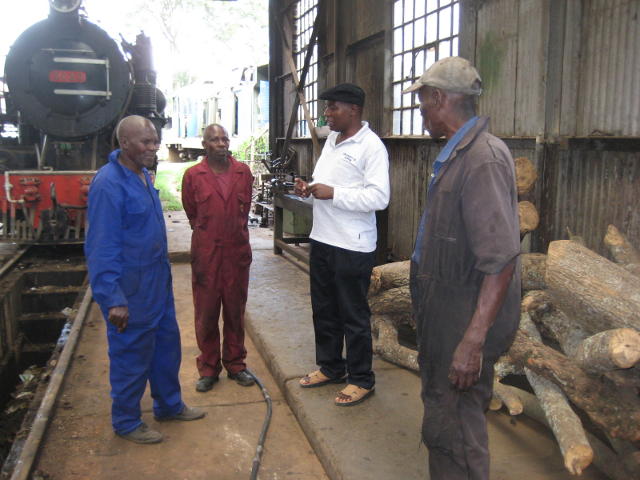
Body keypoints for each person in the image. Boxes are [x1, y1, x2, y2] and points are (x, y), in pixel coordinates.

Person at [405, 56, 521, 479]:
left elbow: (500, 258)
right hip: (447, 316)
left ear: (439, 98)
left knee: (454, 427)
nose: (420, 111)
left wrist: (472, 342)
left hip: (463, 323)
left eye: (422, 101)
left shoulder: (482, 159)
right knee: (444, 417)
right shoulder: (458, 154)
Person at [85, 115, 205, 445]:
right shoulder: (109, 184)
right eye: (145, 142)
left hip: (156, 284)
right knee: (131, 358)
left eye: (155, 141)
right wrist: (113, 299)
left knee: (166, 349)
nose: (153, 148)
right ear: (124, 144)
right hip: (131, 292)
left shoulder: (142, 174)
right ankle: (125, 421)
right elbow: (101, 246)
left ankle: (168, 405)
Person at [294, 83, 390, 406]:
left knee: (353, 314)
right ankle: (332, 367)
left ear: (353, 110)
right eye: (327, 107)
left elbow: (379, 197)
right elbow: (331, 184)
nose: (327, 113)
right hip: (322, 239)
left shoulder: (371, 147)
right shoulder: (332, 142)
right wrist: (309, 187)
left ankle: (362, 378)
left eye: (333, 107)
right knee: (324, 309)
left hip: (352, 246)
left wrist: (334, 193)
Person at [182, 124, 255, 392]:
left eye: (224, 139)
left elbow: (244, 209)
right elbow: (192, 212)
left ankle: (236, 364)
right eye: (214, 140)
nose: (221, 143)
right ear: (205, 145)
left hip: (236, 253)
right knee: (207, 312)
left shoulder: (242, 172)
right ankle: (209, 368)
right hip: (207, 254)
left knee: (235, 311)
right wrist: (209, 235)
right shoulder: (193, 175)